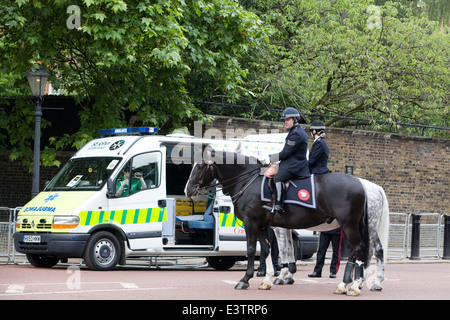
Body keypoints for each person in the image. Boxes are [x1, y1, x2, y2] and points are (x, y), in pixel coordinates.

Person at [263, 107, 310, 216]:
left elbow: (285, 153)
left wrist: (269, 158)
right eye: (284, 120)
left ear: (295, 120)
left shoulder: (296, 134)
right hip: (291, 162)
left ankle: (279, 206)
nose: (285, 122)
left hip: (295, 165)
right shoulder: (295, 131)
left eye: (288, 120)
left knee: (278, 177)